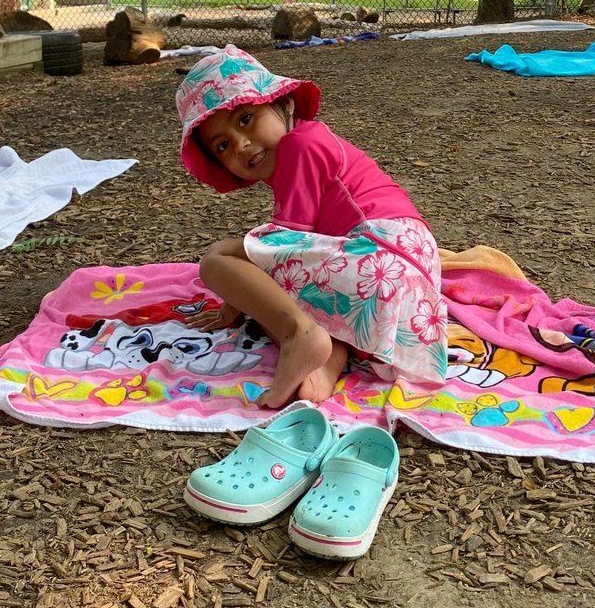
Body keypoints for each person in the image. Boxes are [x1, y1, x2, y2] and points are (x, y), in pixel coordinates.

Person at [176, 46, 447, 408]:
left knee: (218, 260)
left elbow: (285, 245)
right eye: (223, 145)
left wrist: (233, 302)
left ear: (284, 104)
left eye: (245, 120)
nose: (241, 145)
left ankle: (300, 335)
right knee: (277, 300)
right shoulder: (309, 141)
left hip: (380, 256)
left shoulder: (301, 146)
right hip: (407, 284)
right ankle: (323, 367)